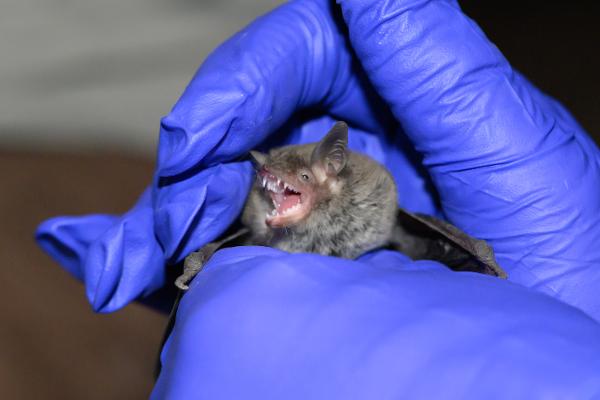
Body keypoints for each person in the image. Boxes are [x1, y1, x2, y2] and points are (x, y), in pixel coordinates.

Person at [37, 0, 600, 397]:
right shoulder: (267, 214)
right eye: (266, 181)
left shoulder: (370, 194)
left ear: (328, 176)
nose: (269, 184)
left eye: (286, 182)